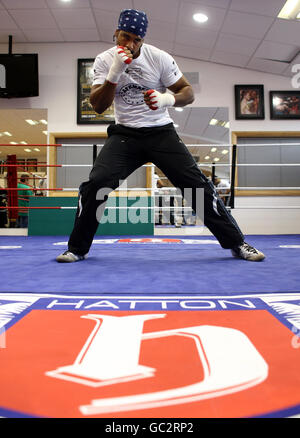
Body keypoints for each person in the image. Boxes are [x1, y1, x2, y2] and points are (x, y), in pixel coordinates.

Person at [56, 9, 265, 263]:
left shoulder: (159, 58)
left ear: (143, 40)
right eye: (125, 37)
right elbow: (98, 106)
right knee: (96, 183)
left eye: (137, 40)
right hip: (125, 135)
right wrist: (114, 73)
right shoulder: (104, 60)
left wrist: (168, 98)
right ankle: (77, 248)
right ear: (115, 34)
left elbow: (188, 92)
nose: (130, 45)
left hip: (161, 132)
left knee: (196, 185)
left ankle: (237, 243)